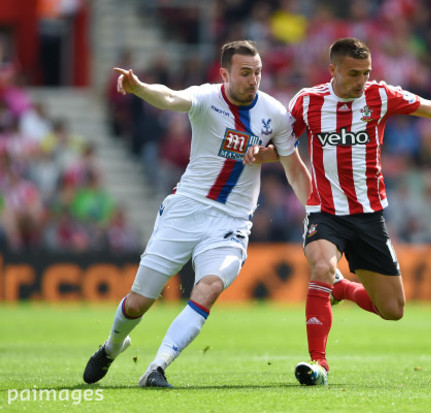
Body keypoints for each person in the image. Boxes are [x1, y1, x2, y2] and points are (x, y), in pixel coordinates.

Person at [246, 37, 431, 386]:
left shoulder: (379, 96)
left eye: (366, 73)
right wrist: (263, 153)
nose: (361, 80)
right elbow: (285, 146)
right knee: (321, 266)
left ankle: (343, 290)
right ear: (332, 70)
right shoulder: (307, 102)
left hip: (369, 217)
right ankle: (318, 363)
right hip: (325, 212)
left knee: (392, 310)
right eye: (353, 73)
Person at [82, 40, 311, 388]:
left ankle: (156, 367)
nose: (254, 79)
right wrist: (140, 87)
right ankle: (112, 347)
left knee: (209, 286)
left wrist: (317, 213)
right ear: (225, 73)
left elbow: (294, 169)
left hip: (232, 222)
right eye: (245, 72)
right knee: (138, 303)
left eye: (258, 72)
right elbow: (172, 98)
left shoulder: (275, 114)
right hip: (186, 210)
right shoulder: (206, 98)